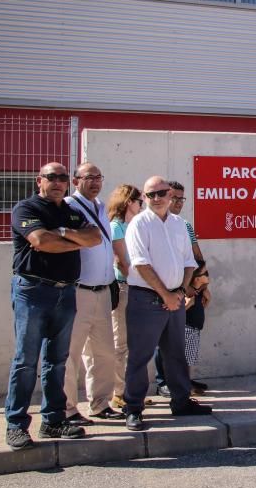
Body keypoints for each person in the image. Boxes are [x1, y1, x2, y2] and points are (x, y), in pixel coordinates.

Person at [4, 162, 101, 450]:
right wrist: (73, 238)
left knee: (57, 361)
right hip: (33, 292)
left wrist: (62, 233)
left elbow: (95, 238)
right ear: (39, 181)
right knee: (26, 361)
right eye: (52, 177)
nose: (58, 182)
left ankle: (53, 420)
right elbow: (41, 241)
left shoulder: (70, 212)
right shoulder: (26, 209)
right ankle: (16, 424)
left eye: (62, 177)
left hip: (65, 293)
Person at [123, 176, 211, 431]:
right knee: (139, 357)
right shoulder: (139, 224)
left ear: (170, 193)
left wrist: (182, 291)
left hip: (176, 297)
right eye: (150, 195)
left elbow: (188, 262)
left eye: (161, 193)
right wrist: (165, 294)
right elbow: (140, 263)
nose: (157, 198)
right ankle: (134, 408)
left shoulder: (179, 225)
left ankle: (181, 401)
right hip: (146, 299)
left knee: (175, 355)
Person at [62, 162, 122, 425]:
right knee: (71, 354)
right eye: (89, 177)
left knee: (104, 352)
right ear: (76, 181)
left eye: (99, 177)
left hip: (103, 290)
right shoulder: (68, 207)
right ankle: (67, 408)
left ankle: (100, 404)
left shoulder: (99, 207)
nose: (95, 182)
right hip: (79, 291)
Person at [155, 181, 212, 396]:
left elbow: (197, 257)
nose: (178, 203)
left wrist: (203, 287)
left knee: (191, 331)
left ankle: (183, 379)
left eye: (181, 198)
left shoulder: (184, 225)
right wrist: (182, 290)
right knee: (165, 338)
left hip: (192, 290)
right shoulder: (155, 225)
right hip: (170, 291)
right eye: (174, 198)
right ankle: (163, 382)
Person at [107, 184, 143, 410]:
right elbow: (122, 261)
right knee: (120, 343)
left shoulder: (134, 225)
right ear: (129, 202)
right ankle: (118, 392)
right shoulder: (116, 227)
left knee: (134, 344)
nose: (143, 204)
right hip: (123, 287)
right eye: (140, 200)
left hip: (136, 287)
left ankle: (130, 391)